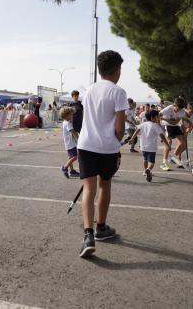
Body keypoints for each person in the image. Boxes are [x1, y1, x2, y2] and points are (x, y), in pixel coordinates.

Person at [77, 50, 128, 258]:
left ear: (99, 70)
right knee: (104, 185)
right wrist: (116, 142)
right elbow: (120, 126)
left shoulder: (88, 90)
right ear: (117, 70)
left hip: (85, 144)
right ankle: (101, 227)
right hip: (107, 146)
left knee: (88, 189)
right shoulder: (118, 92)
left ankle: (88, 234)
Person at [129, 110, 170, 182]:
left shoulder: (143, 124)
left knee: (145, 159)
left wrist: (132, 139)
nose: (158, 118)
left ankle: (145, 171)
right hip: (152, 147)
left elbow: (137, 131)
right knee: (152, 162)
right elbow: (162, 136)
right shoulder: (155, 126)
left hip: (143, 146)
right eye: (157, 116)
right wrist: (167, 145)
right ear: (152, 118)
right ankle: (148, 170)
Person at [159, 97, 187, 171]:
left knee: (183, 144)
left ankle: (173, 157)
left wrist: (164, 118)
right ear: (174, 105)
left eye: (180, 109)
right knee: (168, 143)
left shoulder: (182, 111)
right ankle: (164, 163)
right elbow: (159, 115)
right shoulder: (168, 108)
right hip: (167, 126)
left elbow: (175, 122)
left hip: (175, 126)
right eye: (177, 108)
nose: (178, 110)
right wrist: (159, 126)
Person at [60, 107, 80, 178]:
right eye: (71, 115)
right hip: (71, 144)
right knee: (75, 156)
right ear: (66, 115)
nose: (72, 116)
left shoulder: (65, 122)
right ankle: (65, 167)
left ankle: (72, 171)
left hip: (68, 143)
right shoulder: (68, 123)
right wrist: (79, 139)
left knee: (70, 157)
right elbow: (73, 132)